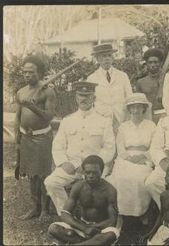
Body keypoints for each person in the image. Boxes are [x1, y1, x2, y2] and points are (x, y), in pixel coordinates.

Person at [44, 81, 115, 216]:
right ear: (76, 98)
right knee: (51, 182)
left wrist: (94, 165)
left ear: (93, 98)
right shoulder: (67, 121)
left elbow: (109, 147)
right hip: (72, 166)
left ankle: (95, 216)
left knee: (99, 190)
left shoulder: (104, 121)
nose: (84, 99)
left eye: (88, 95)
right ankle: (66, 213)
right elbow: (58, 146)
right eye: (81, 95)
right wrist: (64, 163)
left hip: (96, 168)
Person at [14, 55, 57, 220]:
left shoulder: (48, 91)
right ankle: (35, 207)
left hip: (42, 138)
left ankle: (45, 210)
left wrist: (33, 106)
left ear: (39, 73)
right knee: (31, 174)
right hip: (26, 138)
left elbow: (49, 117)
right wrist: (18, 139)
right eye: (25, 72)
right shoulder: (21, 92)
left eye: (31, 72)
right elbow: (17, 117)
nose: (27, 75)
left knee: (44, 174)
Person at [47, 155, 120, 245]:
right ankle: (88, 243)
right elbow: (65, 213)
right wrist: (84, 228)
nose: (91, 176)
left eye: (95, 173)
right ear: (83, 172)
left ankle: (78, 243)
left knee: (110, 235)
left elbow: (112, 220)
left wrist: (93, 227)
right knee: (54, 228)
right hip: (81, 226)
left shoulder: (110, 190)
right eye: (88, 172)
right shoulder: (78, 186)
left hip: (100, 229)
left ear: (101, 172)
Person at [106, 93, 156, 219]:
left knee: (139, 178)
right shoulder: (123, 127)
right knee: (121, 177)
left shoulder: (151, 126)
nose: (136, 110)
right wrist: (129, 158)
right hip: (125, 158)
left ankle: (140, 212)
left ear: (144, 109)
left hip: (144, 159)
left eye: (139, 107)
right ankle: (122, 213)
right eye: (133, 107)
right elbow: (120, 147)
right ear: (129, 110)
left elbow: (155, 146)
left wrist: (143, 157)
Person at [87, 44, 133, 133]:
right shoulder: (91, 78)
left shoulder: (122, 76)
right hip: (101, 120)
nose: (107, 58)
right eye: (103, 56)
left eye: (109, 55)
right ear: (97, 59)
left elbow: (129, 98)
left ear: (112, 58)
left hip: (121, 118)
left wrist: (128, 117)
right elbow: (90, 103)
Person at [136, 48, 165, 123]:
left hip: (165, 117)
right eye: (150, 62)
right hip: (148, 119)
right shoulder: (140, 82)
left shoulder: (167, 79)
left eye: (156, 62)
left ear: (160, 63)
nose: (153, 65)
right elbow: (138, 104)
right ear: (147, 64)